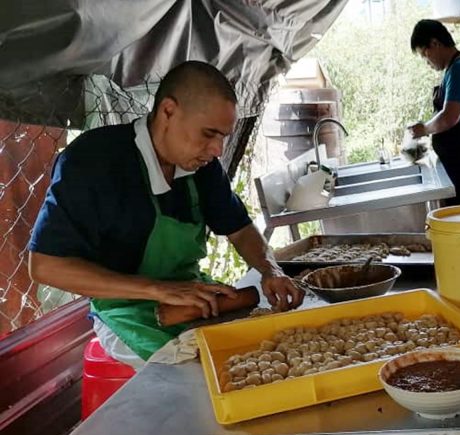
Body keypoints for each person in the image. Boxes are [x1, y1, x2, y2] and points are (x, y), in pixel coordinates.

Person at [28, 61, 304, 367]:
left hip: (194, 298)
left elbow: (239, 228)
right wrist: (158, 290)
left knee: (266, 349)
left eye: (223, 137)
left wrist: (270, 270)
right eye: (209, 134)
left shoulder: (203, 167)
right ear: (168, 111)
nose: (217, 149)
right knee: (209, 376)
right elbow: (45, 266)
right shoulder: (93, 162)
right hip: (126, 312)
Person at [408, 19, 460, 206]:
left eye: (425, 55)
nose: (427, 62)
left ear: (435, 43)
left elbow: (449, 117)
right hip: (458, 163)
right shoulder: (453, 70)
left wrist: (424, 129)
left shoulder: (459, 70)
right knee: (456, 226)